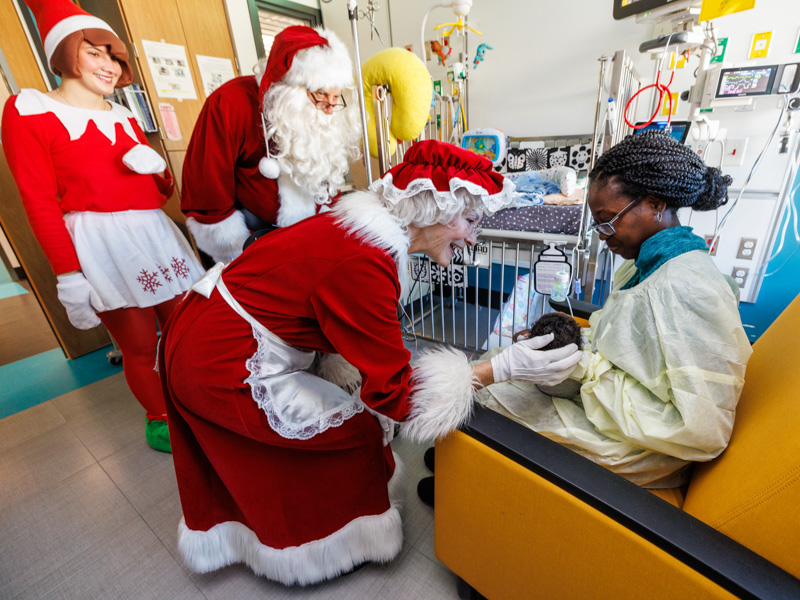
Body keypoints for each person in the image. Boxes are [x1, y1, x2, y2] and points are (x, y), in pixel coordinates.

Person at [159, 140, 583, 585]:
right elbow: (399, 397)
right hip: (220, 357)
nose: (474, 238)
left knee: (354, 415)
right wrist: (500, 368)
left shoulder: (359, 235)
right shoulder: (366, 262)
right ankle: (320, 545)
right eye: (471, 220)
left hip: (213, 327)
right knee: (356, 431)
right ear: (431, 209)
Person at [478, 131, 753, 489]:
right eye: (596, 222)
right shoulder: (642, 264)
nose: (602, 234)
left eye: (608, 219)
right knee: (500, 358)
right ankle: (464, 465)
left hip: (648, 448)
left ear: (655, 204)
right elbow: (631, 345)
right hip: (619, 413)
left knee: (487, 393)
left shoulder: (687, 287)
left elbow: (699, 428)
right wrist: (568, 342)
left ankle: (467, 478)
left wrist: (584, 367)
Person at [1, 0, 204, 452]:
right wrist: (69, 276)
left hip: (153, 233)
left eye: (113, 56)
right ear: (65, 52)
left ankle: (198, 399)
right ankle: (162, 418)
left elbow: (158, 196)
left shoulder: (124, 116)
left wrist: (158, 172)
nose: (108, 65)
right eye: (94, 52)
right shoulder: (28, 110)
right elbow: (38, 203)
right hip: (99, 243)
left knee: (187, 329)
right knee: (138, 345)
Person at [180, 25, 362, 264]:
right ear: (290, 88)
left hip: (305, 238)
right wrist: (235, 250)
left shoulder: (325, 113)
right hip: (248, 242)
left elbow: (327, 181)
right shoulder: (230, 103)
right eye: (320, 94)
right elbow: (207, 184)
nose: (330, 107)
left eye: (336, 97)